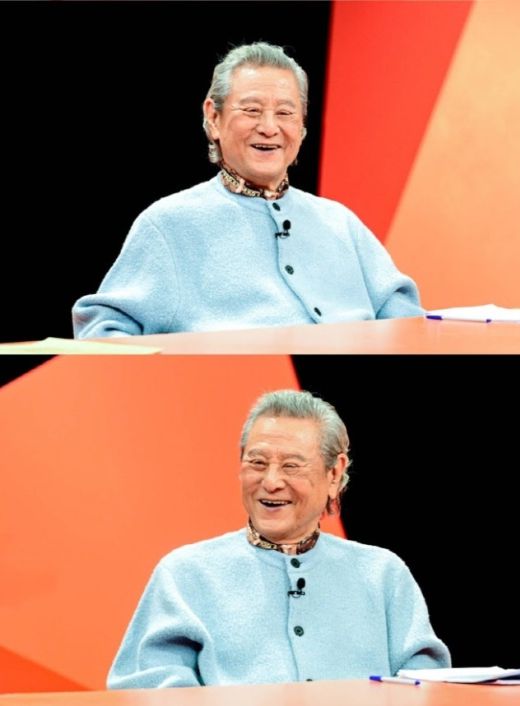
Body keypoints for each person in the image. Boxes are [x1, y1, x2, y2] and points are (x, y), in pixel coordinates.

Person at [72, 42, 423, 339]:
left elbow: (408, 325)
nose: (269, 127)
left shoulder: (339, 221)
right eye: (252, 110)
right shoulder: (169, 223)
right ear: (213, 118)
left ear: (302, 126)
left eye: (285, 113)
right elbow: (102, 332)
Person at [107, 389, 450, 689]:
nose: (270, 482)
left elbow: (427, 682)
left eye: (291, 466)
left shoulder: (382, 573)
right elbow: (146, 685)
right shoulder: (186, 573)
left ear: (334, 474)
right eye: (257, 463)